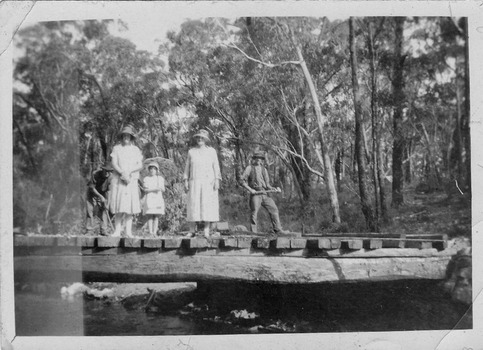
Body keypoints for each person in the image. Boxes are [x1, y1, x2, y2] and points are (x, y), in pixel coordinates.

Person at [183, 129, 221, 237]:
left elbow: (216, 166)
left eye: (202, 138)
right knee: (193, 204)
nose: (200, 139)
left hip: (208, 182)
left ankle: (206, 230)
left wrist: (217, 180)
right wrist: (185, 180)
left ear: (205, 140)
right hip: (194, 181)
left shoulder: (211, 151)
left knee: (207, 204)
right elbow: (187, 167)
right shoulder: (191, 151)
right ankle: (191, 230)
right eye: (198, 138)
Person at [108, 125, 144, 237]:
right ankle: (117, 231)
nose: (126, 137)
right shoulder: (116, 148)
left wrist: (129, 172)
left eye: (128, 136)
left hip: (131, 180)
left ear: (131, 137)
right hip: (119, 179)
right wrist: (122, 173)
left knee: (129, 207)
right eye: (124, 135)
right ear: (122, 137)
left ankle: (128, 232)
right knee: (119, 206)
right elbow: (114, 163)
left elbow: (140, 165)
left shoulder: (136, 149)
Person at [240, 151, 287, 234]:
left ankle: (278, 229)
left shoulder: (264, 169)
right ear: (254, 159)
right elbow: (242, 181)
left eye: (260, 158)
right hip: (255, 194)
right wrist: (250, 190)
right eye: (257, 158)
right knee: (254, 212)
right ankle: (253, 233)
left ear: (262, 160)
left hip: (264, 193)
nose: (259, 160)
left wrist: (274, 189)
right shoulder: (249, 168)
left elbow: (267, 184)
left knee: (274, 208)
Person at [85, 164, 112, 235]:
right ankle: (89, 230)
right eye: (106, 171)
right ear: (102, 170)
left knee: (104, 211)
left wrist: (107, 203)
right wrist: (100, 196)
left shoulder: (110, 177)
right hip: (92, 193)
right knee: (90, 211)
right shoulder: (95, 174)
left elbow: (109, 191)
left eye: (109, 171)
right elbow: (92, 188)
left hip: (103, 194)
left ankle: (103, 230)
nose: (107, 173)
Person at [143, 162, 166, 236]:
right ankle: (150, 232)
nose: (152, 170)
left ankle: (155, 232)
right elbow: (145, 190)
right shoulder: (146, 178)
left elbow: (163, 189)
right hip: (150, 198)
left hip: (157, 198)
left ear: (157, 170)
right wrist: (154, 189)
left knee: (156, 216)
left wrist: (160, 188)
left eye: (154, 169)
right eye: (150, 169)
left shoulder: (160, 178)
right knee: (150, 216)